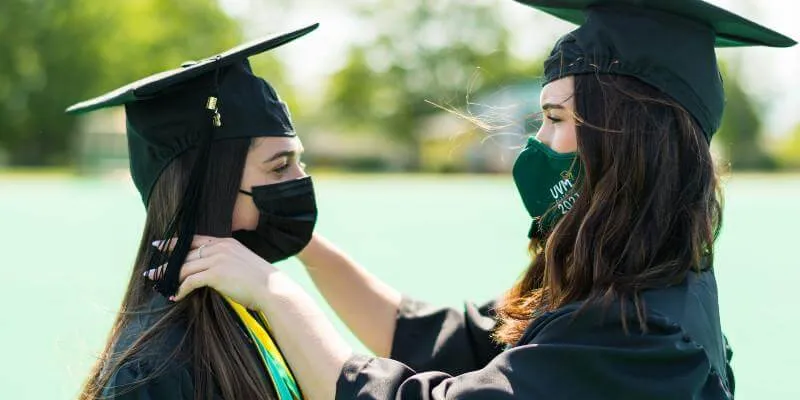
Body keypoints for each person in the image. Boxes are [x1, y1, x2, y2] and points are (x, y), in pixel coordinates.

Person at [148, 1, 797, 399]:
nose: (538, 141)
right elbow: (441, 341)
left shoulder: (644, 334)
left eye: (555, 118)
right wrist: (299, 238)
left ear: (629, 137)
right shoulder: (629, 277)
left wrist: (276, 294)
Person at [66, 24, 320, 400]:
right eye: (280, 166)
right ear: (211, 183)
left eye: (299, 161)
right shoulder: (153, 374)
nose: (302, 180)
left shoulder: (248, 309)